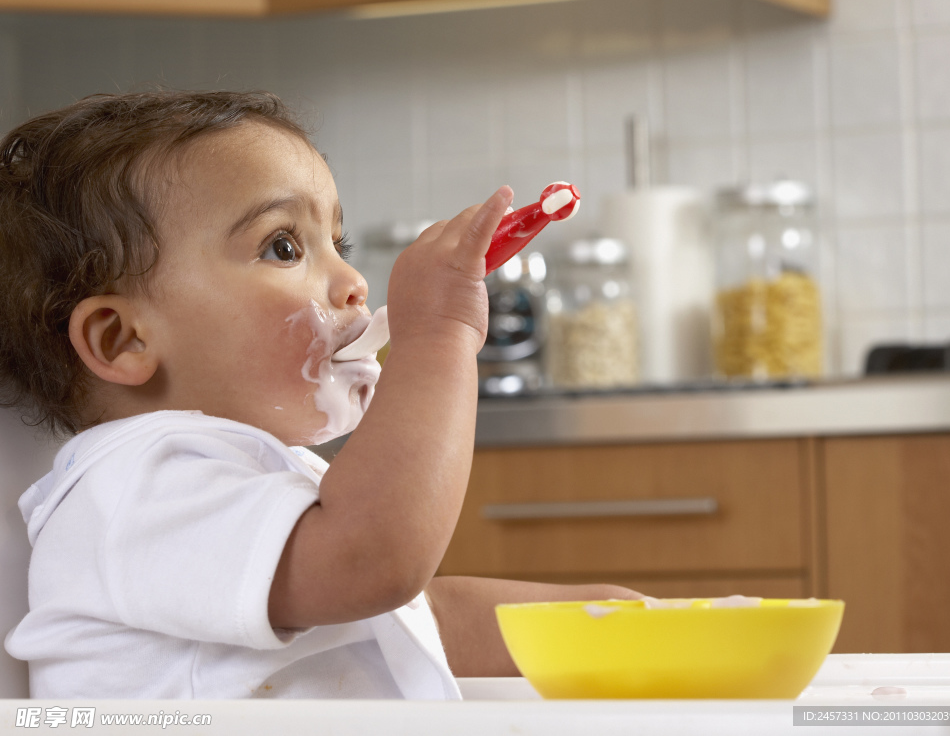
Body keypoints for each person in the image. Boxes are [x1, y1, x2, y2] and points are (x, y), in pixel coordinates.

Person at [0, 90, 640, 699]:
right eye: (283, 247)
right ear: (123, 341)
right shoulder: (130, 491)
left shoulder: (237, 481)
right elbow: (373, 565)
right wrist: (437, 337)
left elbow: (406, 620)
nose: (355, 282)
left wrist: (614, 620)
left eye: (339, 244)